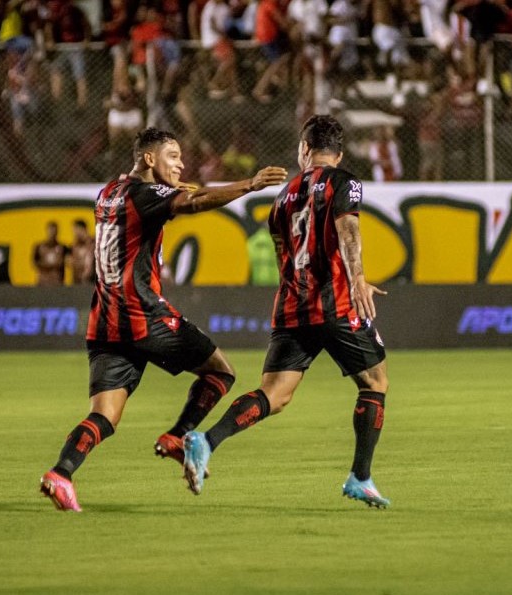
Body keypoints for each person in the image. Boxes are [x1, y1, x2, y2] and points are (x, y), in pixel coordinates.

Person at [39, 127, 288, 512]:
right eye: (173, 155)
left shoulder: (109, 192)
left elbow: (163, 199)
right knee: (221, 372)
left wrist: (174, 184)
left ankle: (61, 473)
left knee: (104, 416)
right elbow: (194, 201)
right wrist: (250, 184)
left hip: (104, 321)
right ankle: (177, 436)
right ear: (150, 159)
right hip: (142, 315)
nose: (181, 162)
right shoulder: (146, 195)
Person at [181, 115, 392, 508]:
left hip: (292, 306)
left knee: (275, 394)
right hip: (335, 303)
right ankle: (360, 477)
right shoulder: (344, 182)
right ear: (338, 153)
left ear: (305, 149)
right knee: (375, 381)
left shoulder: (281, 198)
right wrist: (358, 277)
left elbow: (284, 255)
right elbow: (349, 231)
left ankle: (206, 441)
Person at [33, 221, 69, 286]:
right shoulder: (39, 247)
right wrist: (47, 266)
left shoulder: (63, 247)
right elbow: (35, 262)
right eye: (50, 231)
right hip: (42, 282)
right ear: (47, 231)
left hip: (57, 282)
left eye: (54, 231)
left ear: (57, 232)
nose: (52, 233)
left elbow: (67, 261)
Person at [68, 219, 95, 284]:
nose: (74, 233)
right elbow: (70, 262)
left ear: (81, 229)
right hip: (77, 281)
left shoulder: (94, 242)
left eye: (75, 230)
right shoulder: (74, 245)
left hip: (91, 281)